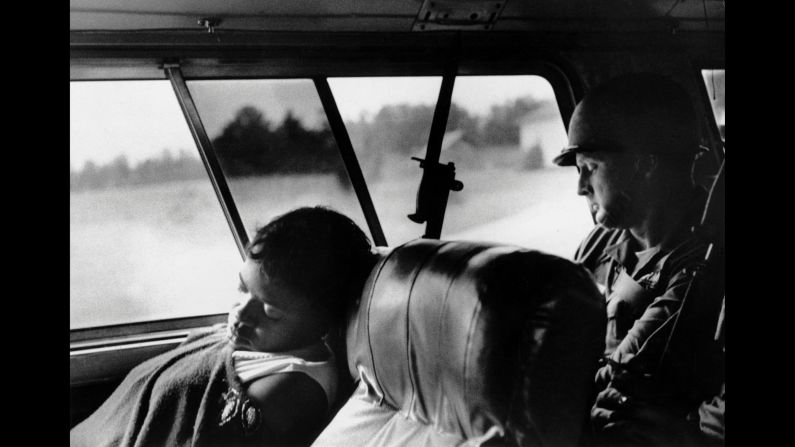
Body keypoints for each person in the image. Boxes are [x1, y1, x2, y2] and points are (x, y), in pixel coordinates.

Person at [71, 206, 378, 447]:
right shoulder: (263, 342)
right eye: (243, 289)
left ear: (323, 323)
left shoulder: (295, 386)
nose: (240, 315)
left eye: (270, 312)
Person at [552, 73, 724, 445]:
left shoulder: (710, 261)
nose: (581, 187)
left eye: (590, 168)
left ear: (644, 165)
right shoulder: (599, 245)